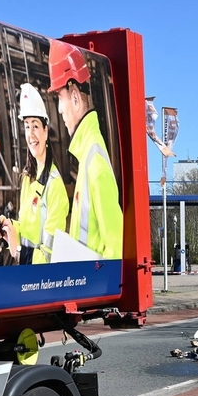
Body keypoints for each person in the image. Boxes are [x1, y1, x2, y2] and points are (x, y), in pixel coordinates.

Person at [49, 40, 123, 259]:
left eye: (60, 99)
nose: (60, 110)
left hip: (94, 288)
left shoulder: (94, 160)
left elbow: (115, 245)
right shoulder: (86, 157)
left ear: (74, 97)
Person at [0, 83, 70, 264]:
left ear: (46, 131)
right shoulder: (28, 178)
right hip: (26, 277)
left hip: (41, 284)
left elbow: (49, 257)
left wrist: (18, 251)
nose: (31, 135)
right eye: (27, 126)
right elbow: (26, 229)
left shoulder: (55, 187)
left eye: (36, 126)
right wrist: (9, 227)